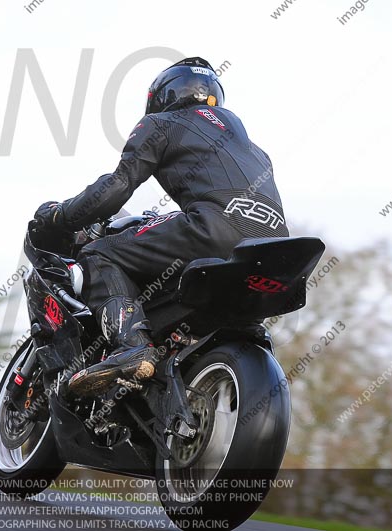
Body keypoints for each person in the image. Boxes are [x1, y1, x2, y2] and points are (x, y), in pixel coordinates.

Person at [33, 57, 289, 397]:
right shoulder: (252, 148)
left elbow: (116, 188)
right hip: (276, 247)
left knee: (100, 253)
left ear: (162, 95)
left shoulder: (163, 122)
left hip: (214, 227)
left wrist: (61, 215)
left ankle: (132, 346)